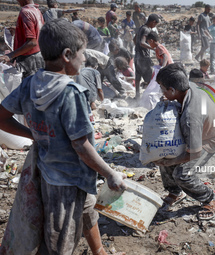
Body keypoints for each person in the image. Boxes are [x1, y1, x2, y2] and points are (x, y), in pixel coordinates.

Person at [0, 19, 127, 255]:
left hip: (47, 169)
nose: (85, 60)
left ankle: (99, 251)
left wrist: (34, 135)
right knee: (59, 240)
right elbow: (80, 144)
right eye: (82, 54)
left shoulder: (30, 83)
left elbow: (2, 116)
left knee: (88, 209)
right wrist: (110, 173)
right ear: (67, 54)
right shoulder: (71, 92)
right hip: (68, 179)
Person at [154, 63, 215, 220]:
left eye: (162, 88)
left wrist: (170, 162)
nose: (161, 92)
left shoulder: (190, 117)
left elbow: (194, 153)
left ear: (172, 90)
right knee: (164, 154)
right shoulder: (188, 86)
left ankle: (209, 198)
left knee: (182, 173)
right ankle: (175, 191)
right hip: (198, 133)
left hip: (209, 141)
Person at [0, 0, 44, 79]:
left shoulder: (25, 12)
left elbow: (32, 43)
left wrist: (10, 55)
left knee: (29, 88)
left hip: (29, 59)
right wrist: (18, 30)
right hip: (39, 55)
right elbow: (37, 31)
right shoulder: (36, 10)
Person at [133, 13, 159, 99]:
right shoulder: (147, 30)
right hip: (144, 57)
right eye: (155, 24)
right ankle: (148, 96)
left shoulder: (141, 27)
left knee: (138, 77)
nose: (154, 26)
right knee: (150, 79)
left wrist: (138, 49)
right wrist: (153, 48)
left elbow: (134, 39)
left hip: (137, 56)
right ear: (153, 22)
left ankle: (137, 96)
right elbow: (142, 42)